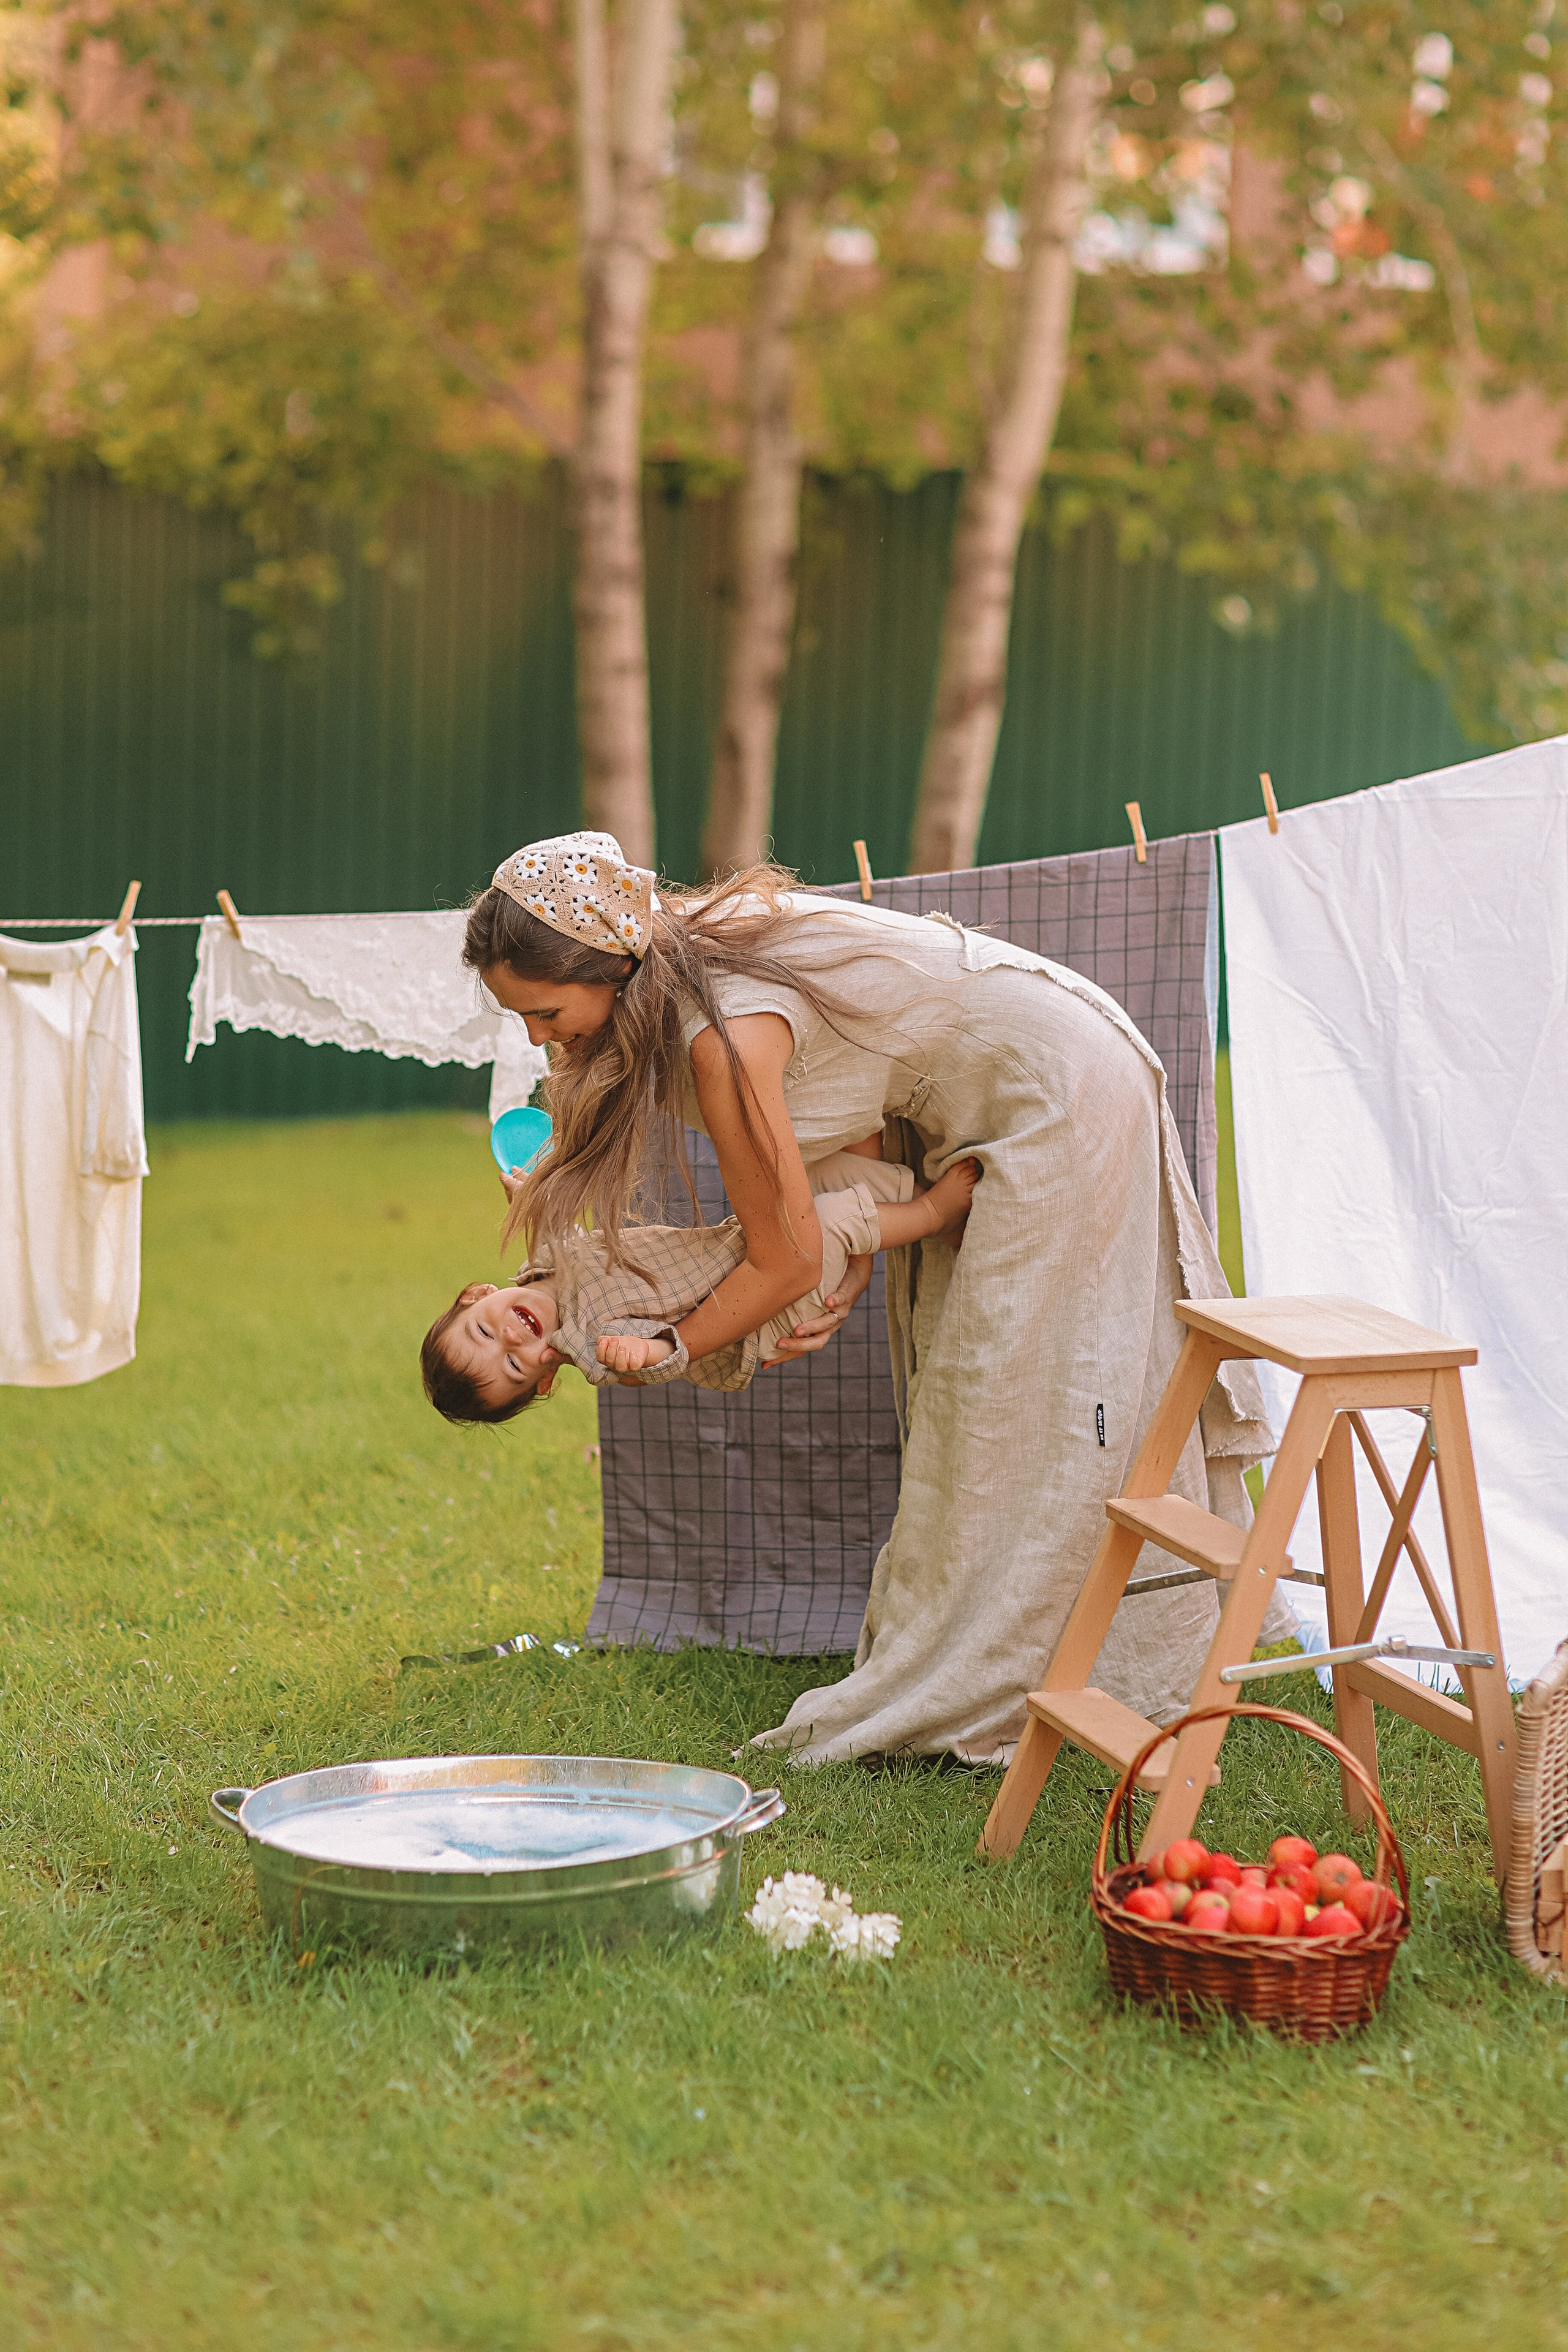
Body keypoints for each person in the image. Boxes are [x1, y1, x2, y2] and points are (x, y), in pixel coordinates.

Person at [461, 829, 1281, 1763]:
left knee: (1017, 1408)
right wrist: (845, 1254)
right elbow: (861, 1089)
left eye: (542, 1008)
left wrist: (676, 1347)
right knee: (969, 1401)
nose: (534, 1035)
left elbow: (778, 1262)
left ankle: (1037, 1686)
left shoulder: (717, 1035)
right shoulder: (679, 955)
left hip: (1054, 1091)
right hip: (983, 1102)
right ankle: (1029, 1665)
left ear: (607, 964)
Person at [421, 1146, 979, 1421]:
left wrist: (527, 1200)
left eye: (483, 1333)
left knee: (827, 1177)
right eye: (516, 1367)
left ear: (477, 1295)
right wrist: (644, 1351)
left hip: (743, 1248)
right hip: (764, 1313)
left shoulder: (546, 1267)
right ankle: (936, 1213)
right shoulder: (596, 1349)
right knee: (829, 1221)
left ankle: (927, 1211)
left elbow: (557, 1240)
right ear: (545, 1381)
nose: (511, 1341)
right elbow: (665, 1358)